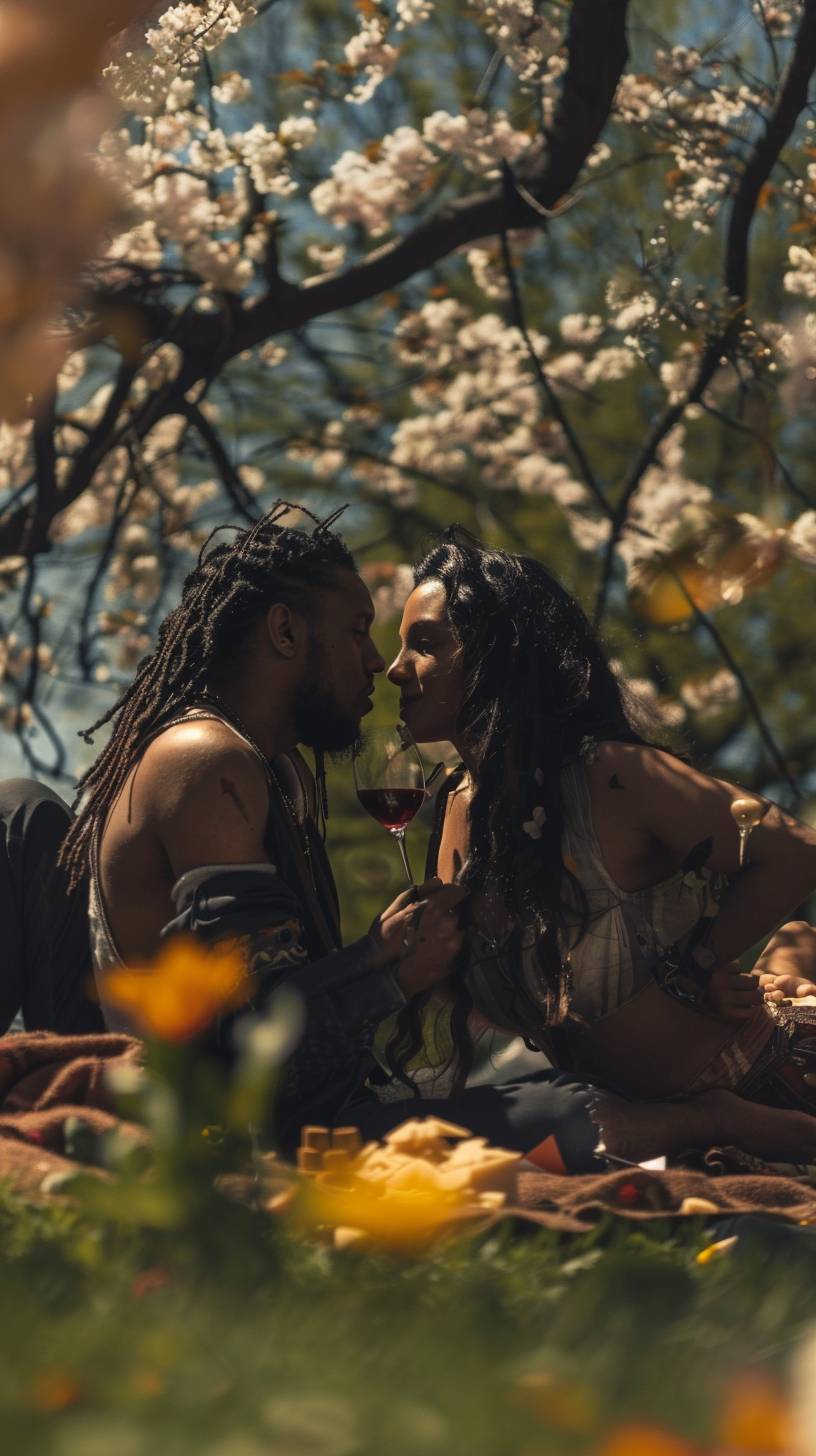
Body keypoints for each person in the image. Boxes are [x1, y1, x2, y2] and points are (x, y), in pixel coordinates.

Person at [386, 525, 816, 1160]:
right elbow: (523, 1004)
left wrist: (698, 964)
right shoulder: (453, 808)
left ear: (496, 653)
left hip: (778, 1085)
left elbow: (795, 849)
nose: (396, 670)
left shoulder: (605, 775)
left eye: (424, 645)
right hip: (642, 1127)